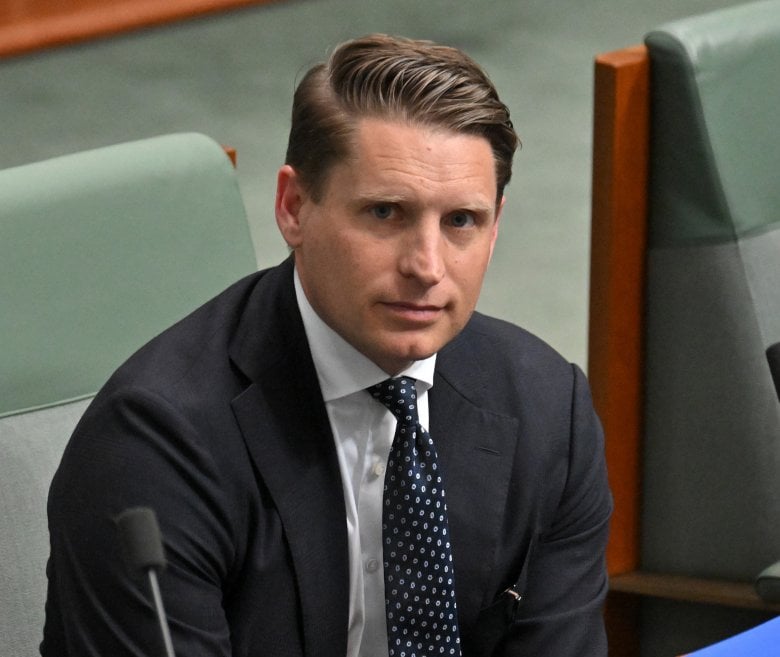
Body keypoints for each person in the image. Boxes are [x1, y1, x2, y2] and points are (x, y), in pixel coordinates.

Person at [41, 34, 611, 657]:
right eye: (385, 213)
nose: (426, 266)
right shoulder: (156, 446)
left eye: (460, 222)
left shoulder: (549, 409)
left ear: (495, 226)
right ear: (293, 207)